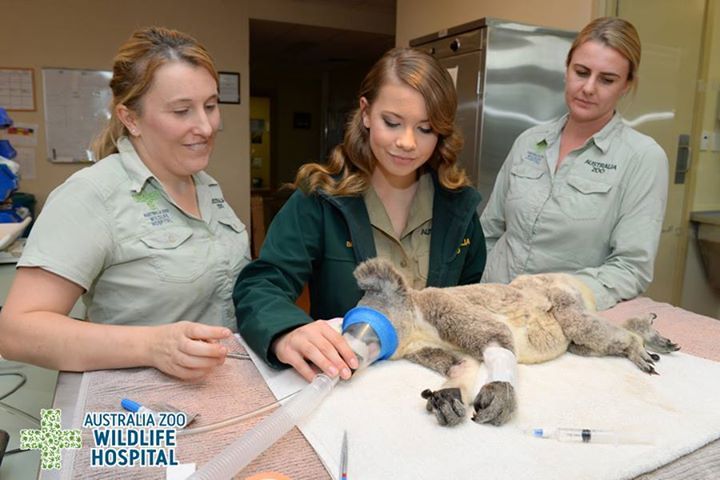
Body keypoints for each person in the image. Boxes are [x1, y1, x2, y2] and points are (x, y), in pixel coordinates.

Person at [0, 27, 250, 380]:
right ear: (130, 118)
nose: (206, 127)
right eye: (182, 111)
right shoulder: (92, 194)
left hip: (218, 392)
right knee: (46, 439)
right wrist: (152, 345)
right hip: (138, 409)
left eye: (210, 106)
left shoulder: (207, 186)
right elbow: (16, 332)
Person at [234, 47, 486, 382]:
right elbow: (261, 285)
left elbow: (468, 300)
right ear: (366, 113)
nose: (407, 142)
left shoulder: (459, 207)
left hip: (434, 381)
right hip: (346, 382)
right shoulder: (321, 199)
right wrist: (287, 331)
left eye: (425, 129)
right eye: (392, 123)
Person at [480, 17, 668, 311]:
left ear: (627, 85)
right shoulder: (530, 141)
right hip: (492, 305)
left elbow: (631, 268)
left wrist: (554, 298)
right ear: (566, 69)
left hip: (563, 319)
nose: (589, 88)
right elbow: (489, 231)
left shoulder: (642, 158)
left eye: (607, 79)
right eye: (581, 72)